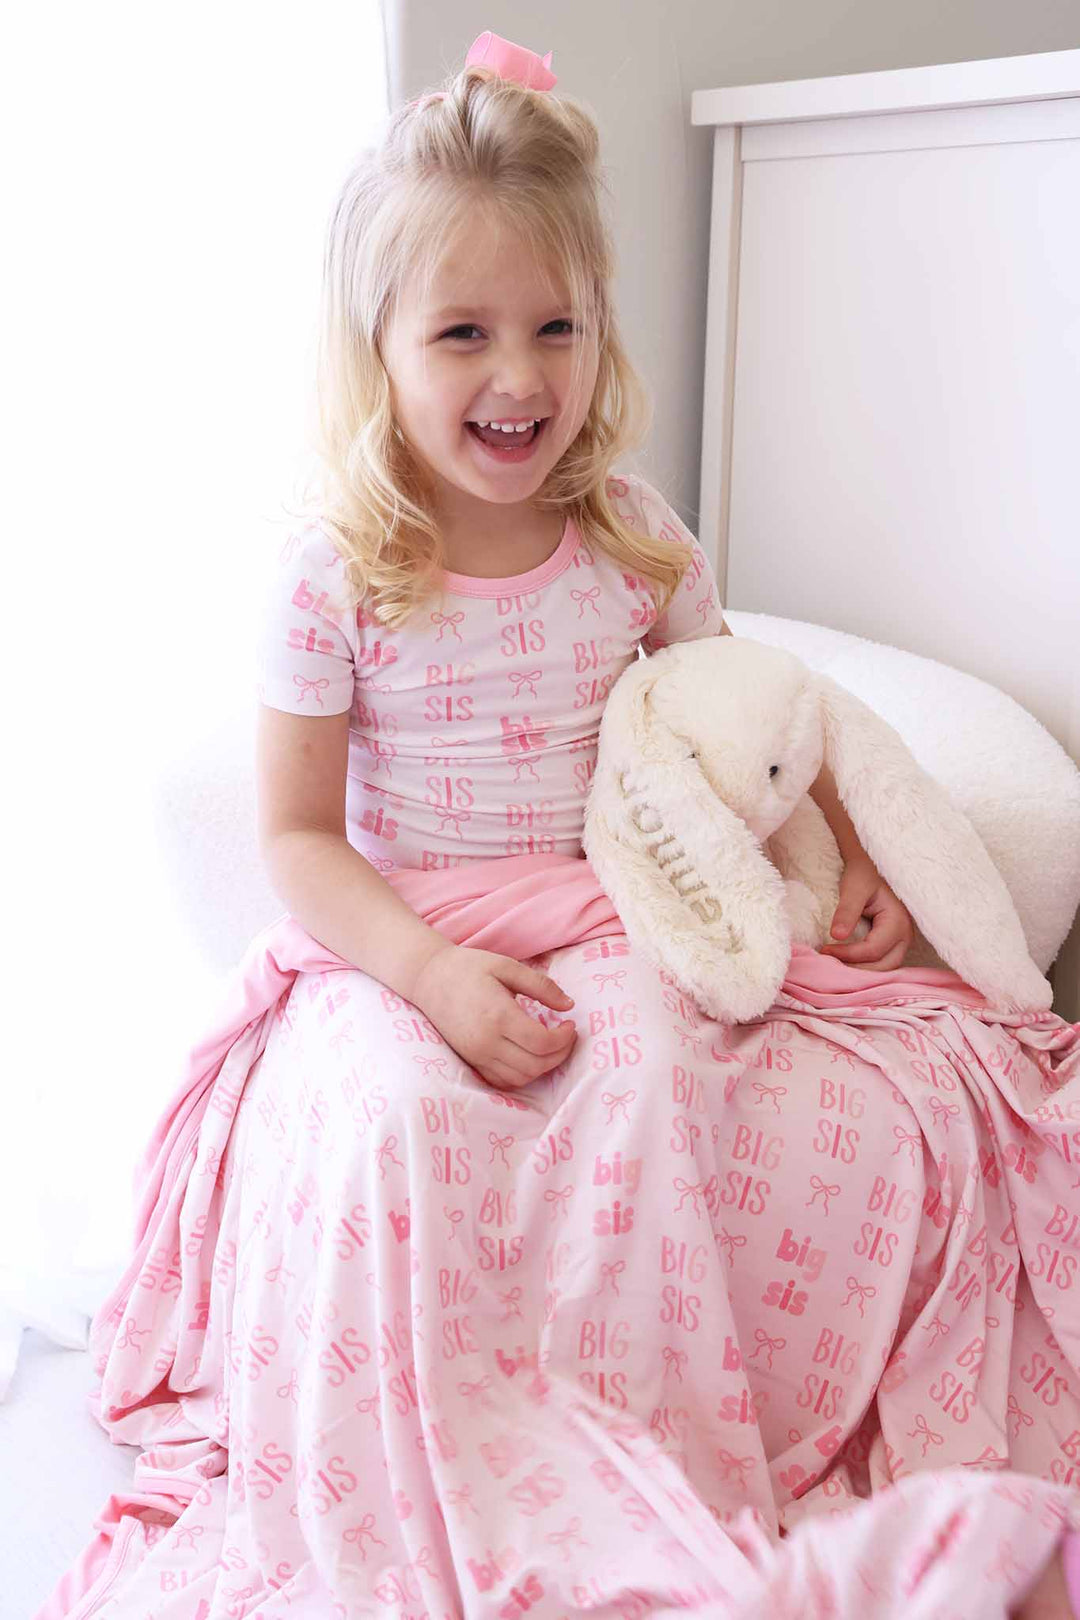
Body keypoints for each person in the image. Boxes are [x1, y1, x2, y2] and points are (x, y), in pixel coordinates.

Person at [36, 29, 1080, 1620]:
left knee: (654, 1077)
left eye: (555, 327)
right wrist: (430, 975)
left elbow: (754, 744)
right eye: (461, 332)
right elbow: (301, 841)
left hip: (610, 907)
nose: (517, 376)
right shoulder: (336, 573)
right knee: (396, 1126)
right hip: (402, 940)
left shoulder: (636, 543)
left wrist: (849, 869)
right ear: (375, 349)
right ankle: (455, 1474)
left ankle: (664, 1460)